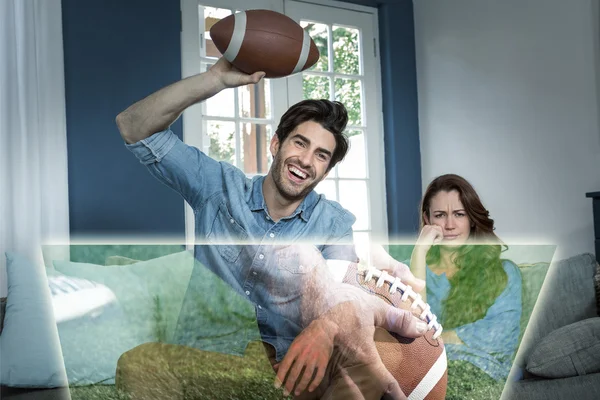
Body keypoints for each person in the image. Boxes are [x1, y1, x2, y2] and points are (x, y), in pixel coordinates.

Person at [115, 57, 428, 400]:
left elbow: (341, 299)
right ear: (276, 144)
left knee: (349, 382)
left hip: (283, 373)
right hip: (204, 362)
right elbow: (133, 126)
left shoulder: (334, 224)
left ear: (326, 171)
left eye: (322, 156)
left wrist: (331, 324)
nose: (306, 161)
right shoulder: (217, 188)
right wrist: (213, 81)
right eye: (300, 143)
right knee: (136, 363)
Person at [409, 174, 521, 380]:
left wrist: (439, 339)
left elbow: (501, 337)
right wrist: (418, 254)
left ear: (471, 219)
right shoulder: (414, 269)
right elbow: (413, 333)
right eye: (440, 215)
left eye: (459, 214)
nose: (450, 225)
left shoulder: (503, 271)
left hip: (484, 373)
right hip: (428, 371)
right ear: (427, 219)